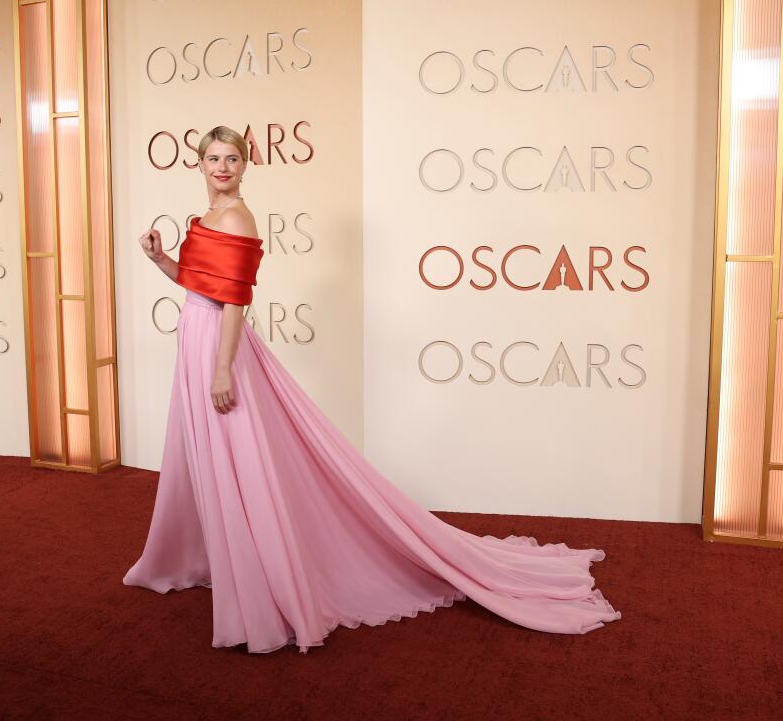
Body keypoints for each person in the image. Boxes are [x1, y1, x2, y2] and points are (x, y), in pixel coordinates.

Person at [124, 125, 621, 654]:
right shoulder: (205, 219)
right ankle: (237, 562)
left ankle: (262, 575)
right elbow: (200, 287)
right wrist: (160, 259)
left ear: (245, 166)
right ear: (199, 164)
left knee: (239, 459)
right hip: (197, 338)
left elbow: (234, 302)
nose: (222, 167)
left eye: (232, 159)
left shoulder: (237, 217)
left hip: (217, 348)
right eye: (213, 158)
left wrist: (223, 368)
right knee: (223, 459)